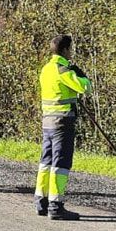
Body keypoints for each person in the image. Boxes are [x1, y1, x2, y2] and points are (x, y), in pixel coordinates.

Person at [35, 35, 90, 220]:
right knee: (61, 164)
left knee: (46, 161)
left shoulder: (46, 69)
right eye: (70, 48)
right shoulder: (62, 69)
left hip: (47, 121)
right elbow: (85, 87)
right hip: (63, 122)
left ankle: (41, 201)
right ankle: (55, 206)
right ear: (66, 50)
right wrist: (81, 74)